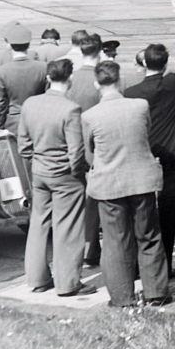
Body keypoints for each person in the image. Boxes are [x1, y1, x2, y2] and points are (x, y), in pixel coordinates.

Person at [82, 61, 169, 307]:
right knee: (149, 235)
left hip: (109, 184)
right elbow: (145, 135)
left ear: (96, 84)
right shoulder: (140, 106)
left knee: (115, 241)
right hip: (141, 179)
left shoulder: (89, 116)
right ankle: (156, 291)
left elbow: (89, 155)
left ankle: (122, 297)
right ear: (119, 81)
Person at [124, 0, 175, 276]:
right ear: (166, 64)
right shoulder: (172, 84)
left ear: (144, 63)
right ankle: (164, 265)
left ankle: (137, 266)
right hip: (172, 154)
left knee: (141, 214)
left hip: (144, 156)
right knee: (168, 214)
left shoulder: (132, 93)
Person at [17, 59, 95, 297]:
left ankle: (37, 278)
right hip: (65, 175)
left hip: (39, 171)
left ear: (49, 78)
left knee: (38, 224)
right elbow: (76, 151)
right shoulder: (70, 109)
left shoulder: (30, 104)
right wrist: (78, 171)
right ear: (69, 80)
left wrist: (37, 160)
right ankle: (68, 283)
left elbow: (23, 145)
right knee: (68, 227)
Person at [66, 33, 106, 266]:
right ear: (99, 52)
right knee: (93, 201)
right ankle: (91, 247)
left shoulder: (70, 78)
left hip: (72, 144)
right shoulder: (101, 79)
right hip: (94, 147)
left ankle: (81, 246)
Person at [0, 23, 47, 134]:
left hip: (14, 121)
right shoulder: (43, 67)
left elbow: (0, 101)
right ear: (28, 44)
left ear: (10, 45)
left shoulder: (2, 71)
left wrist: (1, 122)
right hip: (38, 119)